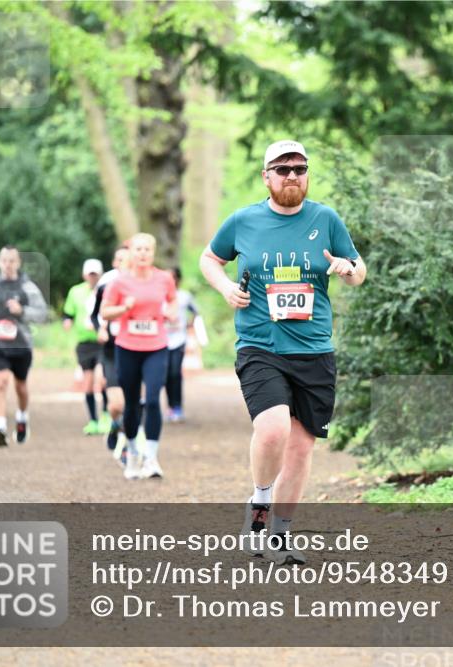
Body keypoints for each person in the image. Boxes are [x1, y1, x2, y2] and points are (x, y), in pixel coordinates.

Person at [199, 140, 366, 564]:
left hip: (314, 349)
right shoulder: (244, 220)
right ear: (266, 176)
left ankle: (280, 535)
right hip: (261, 344)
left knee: (301, 448)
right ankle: (258, 506)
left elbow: (358, 270)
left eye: (300, 168)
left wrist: (348, 270)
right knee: (273, 430)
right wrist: (225, 289)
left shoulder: (325, 218)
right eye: (283, 168)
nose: (292, 176)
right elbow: (209, 259)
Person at [101, 233, 177, 480]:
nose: (143, 253)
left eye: (147, 249)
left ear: (153, 253)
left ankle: (152, 458)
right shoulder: (119, 282)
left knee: (153, 400)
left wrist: (172, 313)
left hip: (156, 346)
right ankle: (133, 452)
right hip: (127, 347)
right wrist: (124, 308)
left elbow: (173, 301)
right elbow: (105, 312)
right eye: (138, 249)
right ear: (131, 253)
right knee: (131, 402)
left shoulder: (164, 279)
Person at [0, 246, 48, 446]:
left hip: (21, 345)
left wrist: (22, 311)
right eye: (4, 260)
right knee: (0, 382)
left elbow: (42, 314)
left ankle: (22, 417)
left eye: (12, 261)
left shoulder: (28, 287)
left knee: (20, 386)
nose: (8, 265)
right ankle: (0, 426)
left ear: (18, 263)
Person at [90, 244, 133, 458]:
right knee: (116, 404)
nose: (125, 263)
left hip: (136, 348)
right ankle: (115, 424)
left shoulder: (142, 284)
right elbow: (94, 314)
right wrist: (101, 330)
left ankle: (128, 445)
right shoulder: (106, 284)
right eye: (120, 259)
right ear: (116, 263)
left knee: (133, 402)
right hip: (111, 349)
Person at [63, 258, 106, 435]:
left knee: (102, 379)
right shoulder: (76, 292)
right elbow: (68, 313)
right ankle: (93, 421)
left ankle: (106, 416)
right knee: (88, 384)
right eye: (90, 274)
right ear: (84, 275)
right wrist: (67, 321)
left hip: (102, 342)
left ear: (101, 274)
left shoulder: (105, 290)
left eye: (95, 274)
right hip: (84, 343)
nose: (93, 277)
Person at [164, 267, 201, 423]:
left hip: (179, 339)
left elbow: (196, 312)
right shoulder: (159, 296)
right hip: (162, 340)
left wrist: (189, 324)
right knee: (165, 374)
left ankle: (178, 407)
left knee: (175, 373)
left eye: (172, 277)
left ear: (178, 279)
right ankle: (170, 407)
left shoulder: (184, 296)